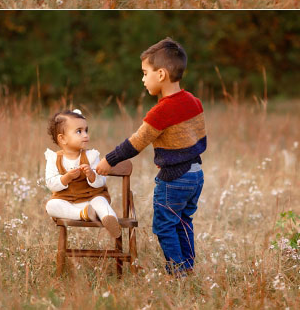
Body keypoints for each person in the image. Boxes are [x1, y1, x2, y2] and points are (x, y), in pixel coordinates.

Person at [96, 38, 206, 275]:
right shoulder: (194, 101)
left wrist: (108, 160)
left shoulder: (162, 111)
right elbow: (199, 138)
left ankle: (177, 272)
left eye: (145, 73)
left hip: (175, 178)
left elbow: (136, 143)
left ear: (161, 74)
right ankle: (187, 269)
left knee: (165, 226)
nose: (143, 79)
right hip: (196, 174)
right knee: (184, 221)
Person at [44, 108, 122, 243]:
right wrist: (66, 177)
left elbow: (101, 182)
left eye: (86, 130)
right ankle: (84, 214)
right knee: (51, 206)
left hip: (91, 199)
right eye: (79, 131)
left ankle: (109, 219)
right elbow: (51, 183)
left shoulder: (91, 156)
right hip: (69, 204)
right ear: (62, 139)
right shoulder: (53, 158)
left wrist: (91, 174)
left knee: (100, 201)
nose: (85, 135)